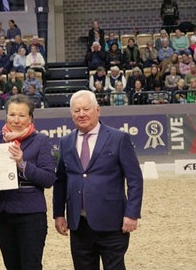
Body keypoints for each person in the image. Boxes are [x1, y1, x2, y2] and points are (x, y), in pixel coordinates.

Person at [53, 90, 143, 270]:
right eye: (77, 110)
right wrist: (58, 214)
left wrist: (132, 214)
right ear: (71, 114)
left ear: (98, 110)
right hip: (79, 225)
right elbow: (60, 180)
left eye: (86, 109)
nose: (81, 114)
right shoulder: (65, 142)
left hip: (113, 223)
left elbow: (135, 179)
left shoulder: (118, 138)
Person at [0, 94, 56, 270]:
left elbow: (48, 179)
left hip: (30, 213)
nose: (16, 120)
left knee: (30, 265)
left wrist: (22, 164)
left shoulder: (41, 141)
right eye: (12, 114)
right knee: (11, 265)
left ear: (30, 117)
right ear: (6, 115)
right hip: (3, 211)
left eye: (22, 115)